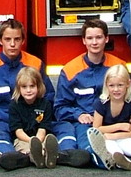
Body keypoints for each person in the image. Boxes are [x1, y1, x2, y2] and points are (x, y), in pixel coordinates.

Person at [54, 18, 127, 156]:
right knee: (87, 144)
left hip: (113, 121)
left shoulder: (119, 67)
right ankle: (100, 159)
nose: (94, 42)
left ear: (106, 39)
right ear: (83, 40)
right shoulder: (70, 70)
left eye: (99, 37)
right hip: (85, 123)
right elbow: (59, 107)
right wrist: (78, 114)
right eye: (90, 38)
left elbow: (129, 100)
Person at [0, 19, 46, 156]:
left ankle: (35, 153)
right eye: (8, 39)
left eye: (17, 39)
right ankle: (14, 156)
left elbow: (47, 97)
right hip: (1, 122)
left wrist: (32, 117)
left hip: (32, 120)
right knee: (0, 142)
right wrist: (11, 117)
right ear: (0, 40)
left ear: (23, 40)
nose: (12, 44)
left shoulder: (35, 64)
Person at [0, 66, 63, 170]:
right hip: (22, 139)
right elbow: (18, 131)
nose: (28, 90)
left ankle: (45, 157)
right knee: (26, 150)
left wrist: (37, 141)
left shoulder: (45, 104)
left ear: (39, 86)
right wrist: (31, 141)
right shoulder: (14, 105)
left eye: (32, 86)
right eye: (24, 87)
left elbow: (43, 129)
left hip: (40, 138)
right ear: (19, 88)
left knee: (46, 143)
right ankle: (40, 158)